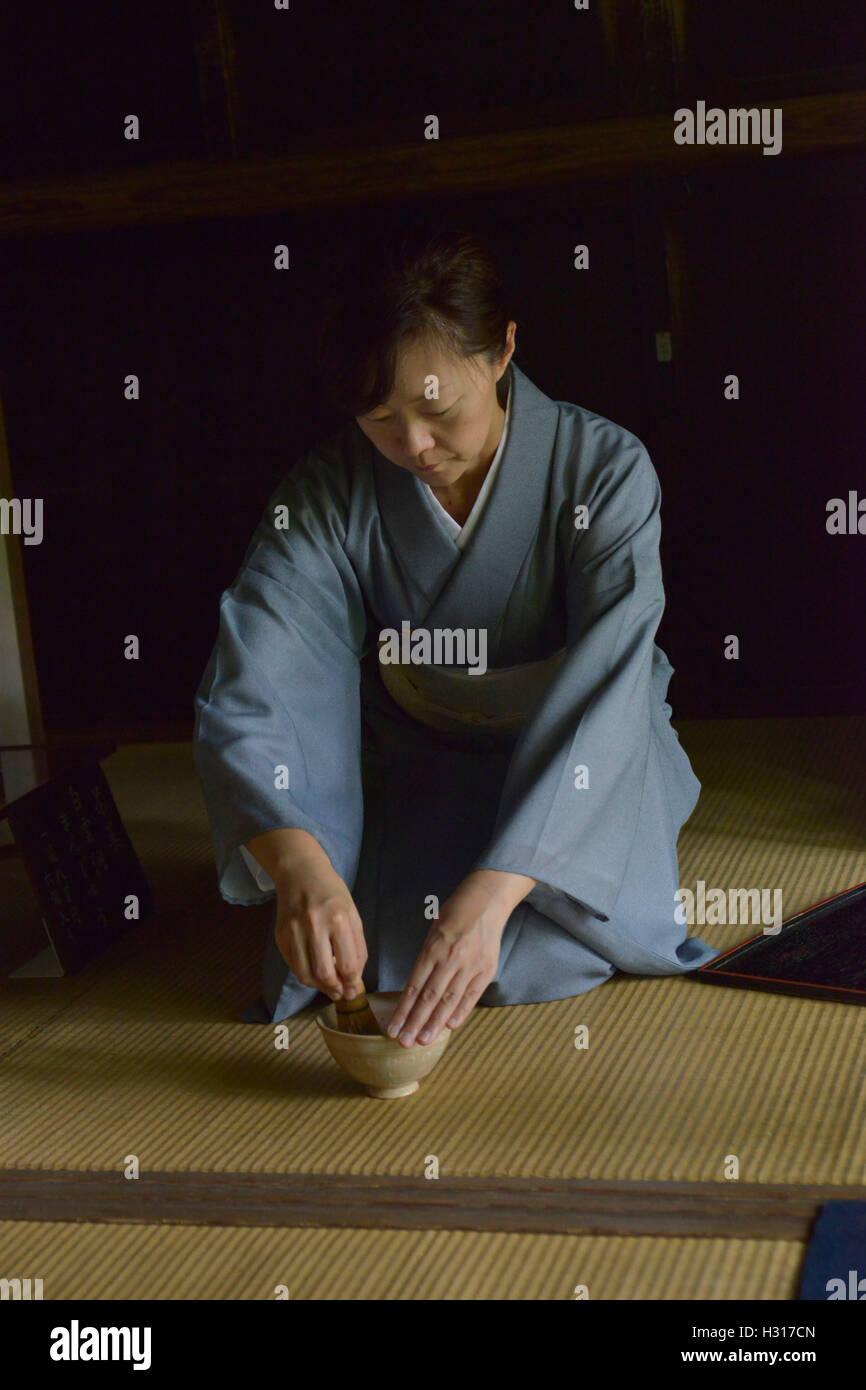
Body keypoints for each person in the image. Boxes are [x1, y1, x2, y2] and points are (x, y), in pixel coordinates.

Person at [193, 220, 717, 1051]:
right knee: (361, 947)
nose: (413, 446)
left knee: (568, 934)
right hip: (421, 754)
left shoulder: (604, 470)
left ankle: (528, 882)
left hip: (584, 760)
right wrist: (300, 866)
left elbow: (612, 682)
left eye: (438, 409)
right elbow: (263, 673)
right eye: (379, 417)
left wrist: (498, 890)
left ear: (502, 350)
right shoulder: (329, 491)